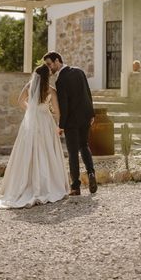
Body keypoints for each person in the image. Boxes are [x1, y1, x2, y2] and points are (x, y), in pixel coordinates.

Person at [0, 64, 69, 209]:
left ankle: (24, 184)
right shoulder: (51, 90)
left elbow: (20, 101)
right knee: (47, 150)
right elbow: (57, 111)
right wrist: (58, 124)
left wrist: (31, 109)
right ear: (47, 76)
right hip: (45, 121)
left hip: (31, 122)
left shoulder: (30, 86)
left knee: (28, 150)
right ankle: (47, 185)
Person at [43, 51, 97, 196]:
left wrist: (61, 125)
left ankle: (75, 187)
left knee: (73, 152)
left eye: (49, 64)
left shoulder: (61, 80)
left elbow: (64, 105)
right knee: (84, 145)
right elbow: (88, 93)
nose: (49, 68)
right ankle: (91, 173)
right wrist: (92, 113)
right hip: (85, 116)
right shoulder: (79, 71)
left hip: (72, 122)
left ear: (57, 61)